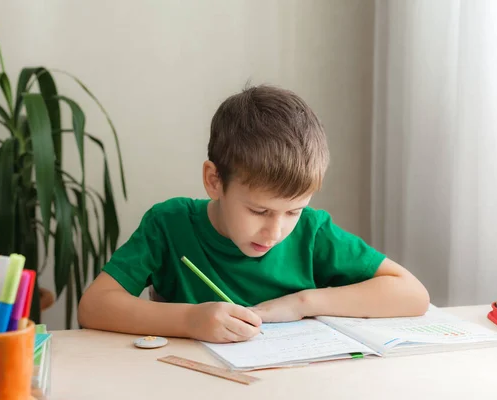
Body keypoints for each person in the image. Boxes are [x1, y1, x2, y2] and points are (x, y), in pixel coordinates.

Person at [78, 85, 430, 343]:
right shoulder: (169, 224)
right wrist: (189, 319)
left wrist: (303, 303)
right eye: (259, 210)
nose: (275, 231)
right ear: (214, 181)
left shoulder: (312, 232)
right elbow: (94, 306)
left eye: (293, 210)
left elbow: (412, 294)